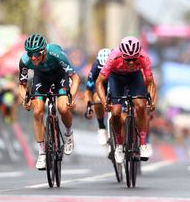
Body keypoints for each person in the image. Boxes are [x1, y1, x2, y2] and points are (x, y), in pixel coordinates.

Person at [18, 33, 80, 170]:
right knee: (37, 112)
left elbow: (75, 78)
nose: (33, 58)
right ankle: (42, 153)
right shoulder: (24, 60)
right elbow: (22, 85)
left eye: (37, 54)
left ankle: (69, 134)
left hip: (60, 77)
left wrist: (71, 97)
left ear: (44, 51)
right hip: (41, 78)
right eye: (30, 54)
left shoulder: (56, 53)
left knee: (63, 108)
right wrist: (25, 99)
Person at [95, 36, 157, 163]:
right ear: (122, 55)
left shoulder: (144, 57)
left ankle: (143, 144)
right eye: (128, 60)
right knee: (116, 112)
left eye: (134, 59)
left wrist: (152, 101)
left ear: (138, 55)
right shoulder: (113, 57)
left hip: (135, 77)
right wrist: (104, 101)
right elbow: (99, 82)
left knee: (140, 106)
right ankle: (118, 145)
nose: (131, 63)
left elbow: (151, 82)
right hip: (116, 78)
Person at [84, 48, 111, 145]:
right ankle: (101, 127)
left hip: (115, 83)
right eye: (102, 68)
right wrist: (88, 107)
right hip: (100, 86)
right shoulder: (95, 68)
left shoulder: (117, 64)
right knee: (97, 99)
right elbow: (88, 91)